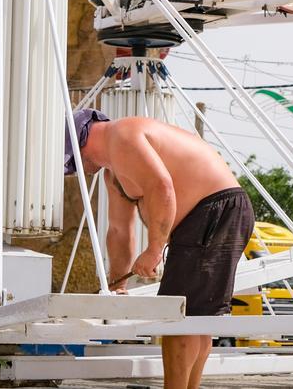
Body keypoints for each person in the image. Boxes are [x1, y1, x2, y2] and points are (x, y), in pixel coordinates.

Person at [63, 110, 254, 389]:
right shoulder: (113, 173)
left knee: (179, 317)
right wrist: (119, 283)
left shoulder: (123, 135)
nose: (78, 168)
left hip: (214, 210)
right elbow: (119, 231)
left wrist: (154, 249)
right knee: (195, 317)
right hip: (211, 215)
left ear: (81, 143)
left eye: (73, 161)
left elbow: (161, 186)